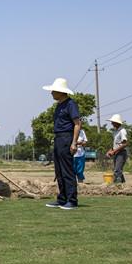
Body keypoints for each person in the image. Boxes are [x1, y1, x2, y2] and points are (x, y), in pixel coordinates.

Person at [42, 78, 81, 210]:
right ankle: (62, 199)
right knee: (59, 171)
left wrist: (74, 143)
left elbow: (77, 124)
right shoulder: (59, 105)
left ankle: (72, 200)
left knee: (67, 171)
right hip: (58, 138)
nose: (51, 93)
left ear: (61, 92)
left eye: (53, 91)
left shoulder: (71, 104)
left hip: (66, 137)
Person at [106, 114, 129, 183]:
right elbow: (115, 144)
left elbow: (125, 143)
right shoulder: (115, 132)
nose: (112, 123)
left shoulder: (122, 131)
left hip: (121, 153)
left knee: (117, 170)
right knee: (118, 170)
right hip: (117, 152)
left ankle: (117, 185)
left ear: (117, 122)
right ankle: (123, 185)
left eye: (113, 122)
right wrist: (110, 150)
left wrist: (114, 151)